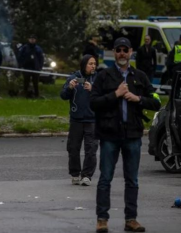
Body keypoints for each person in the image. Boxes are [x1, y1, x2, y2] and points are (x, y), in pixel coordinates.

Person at [90, 37, 161, 233]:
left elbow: (156, 101)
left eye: (125, 50)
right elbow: (93, 103)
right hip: (109, 135)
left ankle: (131, 219)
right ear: (114, 52)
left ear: (131, 53)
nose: (122, 53)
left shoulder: (140, 76)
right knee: (105, 179)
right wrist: (116, 94)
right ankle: (102, 219)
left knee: (132, 180)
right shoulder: (104, 76)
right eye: (118, 50)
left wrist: (138, 98)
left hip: (132, 135)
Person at [60, 55, 98, 186]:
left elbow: (105, 95)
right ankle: (75, 174)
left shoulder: (98, 79)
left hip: (92, 119)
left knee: (91, 149)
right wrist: (70, 87)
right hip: (76, 119)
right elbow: (63, 96)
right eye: (90, 64)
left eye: (94, 63)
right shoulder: (73, 78)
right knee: (73, 148)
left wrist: (93, 89)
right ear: (83, 65)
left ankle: (87, 175)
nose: (93, 66)